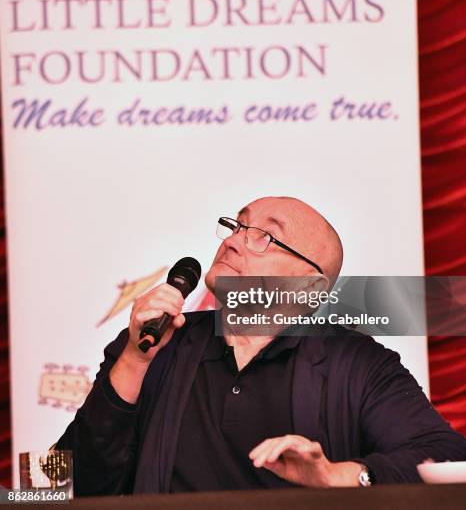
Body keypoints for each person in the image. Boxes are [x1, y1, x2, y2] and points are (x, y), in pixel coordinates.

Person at [55, 196, 466, 495]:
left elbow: (444, 456)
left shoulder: (357, 362)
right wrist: (134, 359)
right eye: (237, 226)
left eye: (264, 236)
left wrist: (338, 476)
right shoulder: (158, 344)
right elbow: (68, 484)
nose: (233, 241)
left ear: (308, 285)